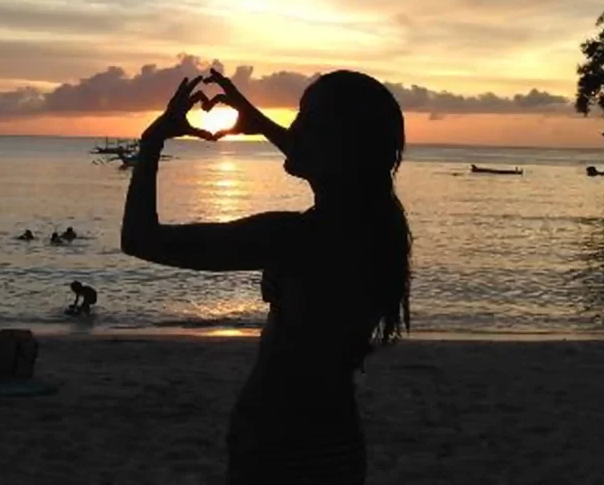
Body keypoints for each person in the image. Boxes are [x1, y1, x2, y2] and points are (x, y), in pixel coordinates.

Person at [121, 69, 411, 484]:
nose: (294, 128)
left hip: (285, 455)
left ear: (339, 144)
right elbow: (325, 161)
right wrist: (254, 121)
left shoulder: (297, 239)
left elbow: (141, 239)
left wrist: (151, 142)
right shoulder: (371, 228)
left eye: (308, 118)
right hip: (331, 445)